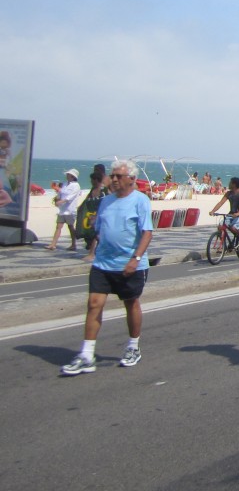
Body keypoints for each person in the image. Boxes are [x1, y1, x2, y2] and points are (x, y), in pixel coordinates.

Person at [61, 159, 153, 375]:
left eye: (118, 176)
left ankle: (133, 346)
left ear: (131, 179)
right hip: (103, 263)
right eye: (112, 176)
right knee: (94, 303)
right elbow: (100, 230)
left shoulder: (140, 200)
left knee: (130, 303)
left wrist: (136, 258)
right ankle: (86, 354)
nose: (113, 179)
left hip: (130, 264)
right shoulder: (106, 201)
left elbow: (147, 232)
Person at [77, 165, 109, 262]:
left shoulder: (104, 189)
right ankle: (98, 251)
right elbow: (88, 199)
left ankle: (92, 253)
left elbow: (108, 199)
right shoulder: (93, 189)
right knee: (94, 234)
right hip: (91, 214)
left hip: (100, 214)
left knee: (97, 234)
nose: (91, 181)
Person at [48, 168, 83, 251]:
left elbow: (71, 196)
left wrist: (61, 201)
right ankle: (53, 244)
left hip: (70, 210)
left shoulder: (76, 185)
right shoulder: (65, 184)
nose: (67, 176)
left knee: (70, 227)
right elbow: (61, 192)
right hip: (62, 210)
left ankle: (74, 244)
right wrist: (57, 199)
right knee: (58, 226)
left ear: (73, 176)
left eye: (68, 175)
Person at [209, 177, 239, 246]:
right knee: (220, 226)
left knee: (233, 227)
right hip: (231, 215)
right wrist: (213, 211)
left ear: (234, 184)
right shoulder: (229, 193)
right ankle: (223, 245)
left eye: (230, 183)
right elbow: (220, 203)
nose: (229, 184)